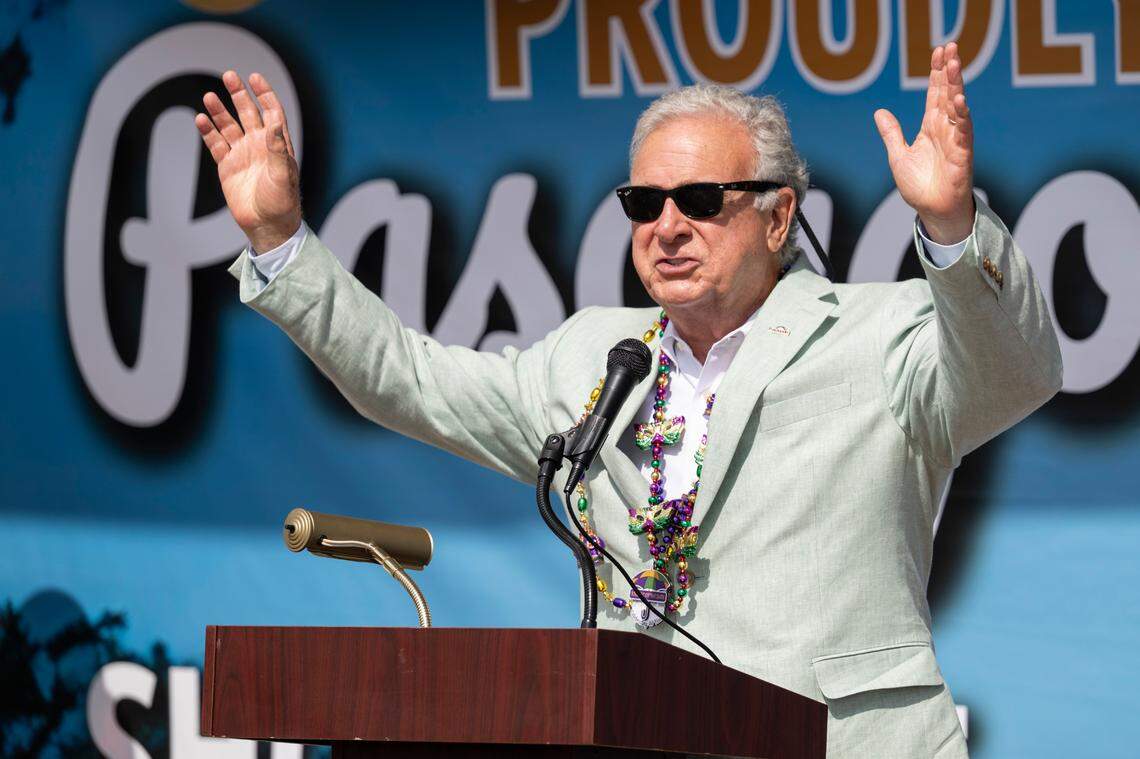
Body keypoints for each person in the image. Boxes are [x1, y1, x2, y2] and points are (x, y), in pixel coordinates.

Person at [195, 42, 1061, 758]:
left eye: (699, 200)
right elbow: (410, 381)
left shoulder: (881, 334)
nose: (667, 225)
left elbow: (1015, 371)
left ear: (778, 215)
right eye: (644, 202)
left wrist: (949, 228)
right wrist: (280, 242)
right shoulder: (597, 358)